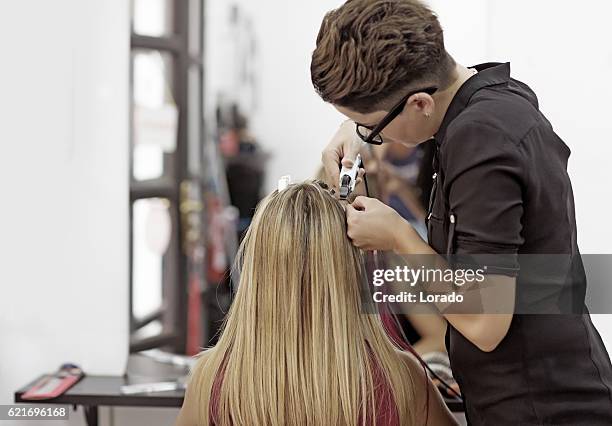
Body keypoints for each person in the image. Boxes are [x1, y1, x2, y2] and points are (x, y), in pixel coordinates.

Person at [311, 0, 612, 425]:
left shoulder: (480, 139)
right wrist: (356, 128)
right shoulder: (492, 100)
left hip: (544, 409)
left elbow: (486, 322)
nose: (371, 138)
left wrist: (398, 237)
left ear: (419, 104)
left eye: (373, 128)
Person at [174, 180, 457, 426]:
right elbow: (486, 316)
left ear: (256, 271)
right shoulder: (403, 378)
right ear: (349, 269)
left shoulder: (210, 380)